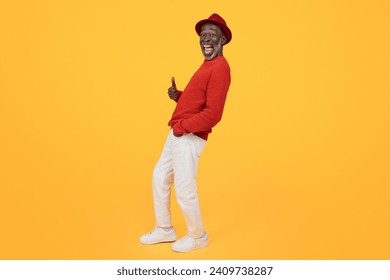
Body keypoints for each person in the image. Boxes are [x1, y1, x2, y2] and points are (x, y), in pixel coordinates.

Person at [140, 13, 232, 253]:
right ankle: (164, 229)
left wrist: (182, 128)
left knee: (184, 187)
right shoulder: (208, 64)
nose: (206, 39)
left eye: (212, 35)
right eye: (203, 36)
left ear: (222, 40)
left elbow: (213, 114)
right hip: (178, 133)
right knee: (159, 178)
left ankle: (197, 235)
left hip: (188, 135)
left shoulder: (221, 67)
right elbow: (198, 101)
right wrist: (179, 96)